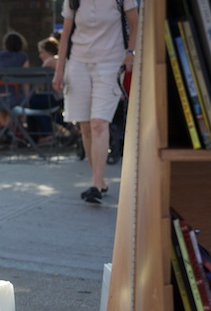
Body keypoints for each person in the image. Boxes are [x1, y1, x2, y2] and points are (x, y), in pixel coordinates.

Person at [52, 0, 139, 204]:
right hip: (78, 63)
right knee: (85, 125)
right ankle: (99, 180)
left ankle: (96, 184)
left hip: (110, 62)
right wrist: (59, 70)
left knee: (99, 122)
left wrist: (130, 54)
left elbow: (135, 25)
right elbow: (65, 35)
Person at [0, 31, 29, 129]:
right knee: (12, 105)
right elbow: (26, 78)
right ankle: (7, 132)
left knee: (3, 105)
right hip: (15, 96)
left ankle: (5, 132)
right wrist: (27, 97)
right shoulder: (22, 57)